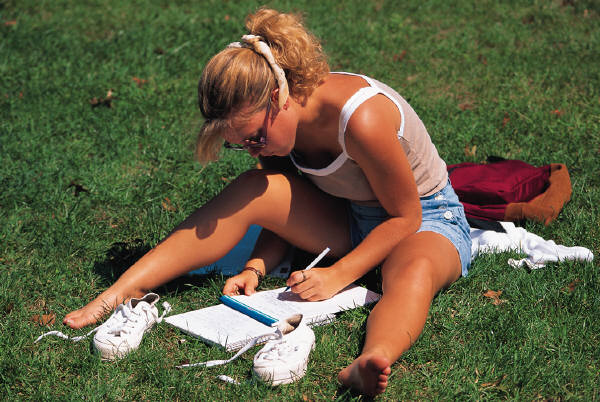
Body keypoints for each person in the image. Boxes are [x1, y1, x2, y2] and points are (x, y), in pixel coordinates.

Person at [63, 7, 471, 396]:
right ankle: (116, 295)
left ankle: (372, 359)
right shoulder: (276, 127)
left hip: (426, 220)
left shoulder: (362, 119)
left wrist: (338, 274)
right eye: (241, 144)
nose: (255, 149)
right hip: (350, 215)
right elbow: (282, 204)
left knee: (412, 271)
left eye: (256, 137)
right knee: (252, 187)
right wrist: (256, 267)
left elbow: (405, 216)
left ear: (280, 96)